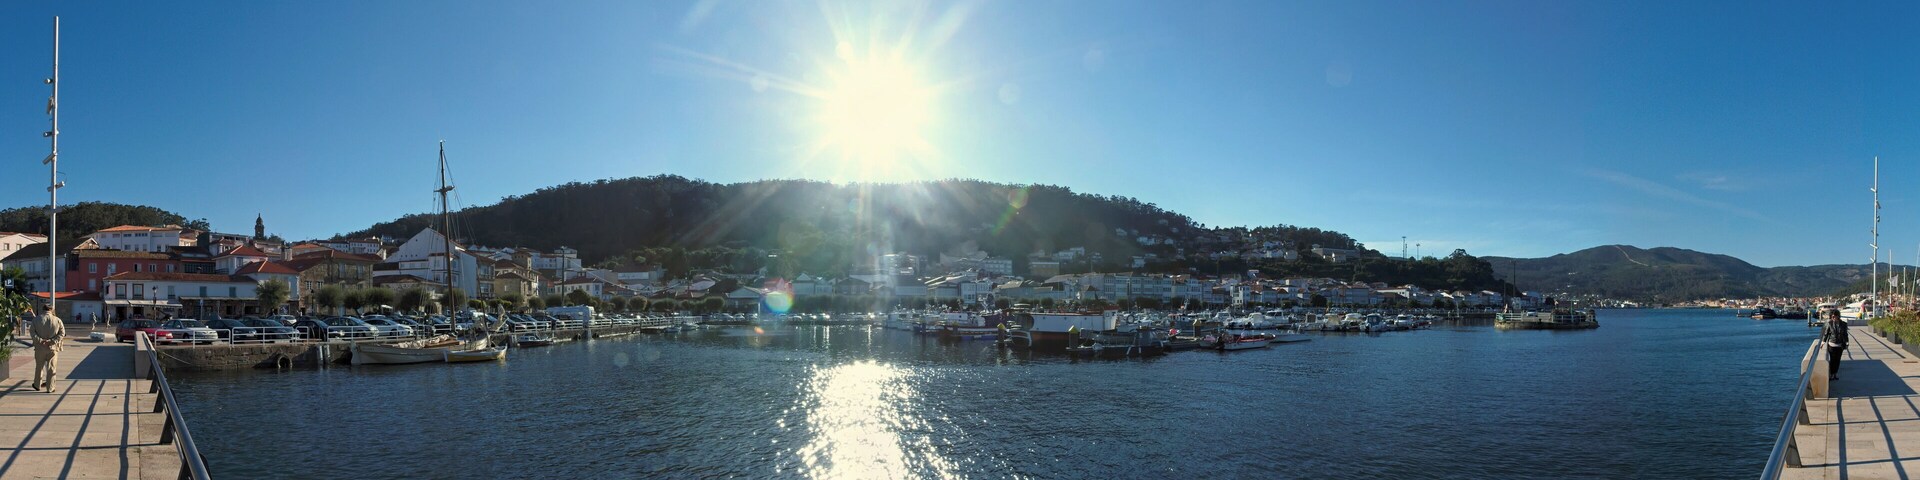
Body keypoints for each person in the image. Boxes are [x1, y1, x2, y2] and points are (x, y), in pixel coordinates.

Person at [28, 306, 65, 393]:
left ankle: (37, 385)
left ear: (43, 309)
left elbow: (32, 332)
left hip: (40, 348)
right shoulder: (57, 320)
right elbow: (62, 333)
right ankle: (50, 388)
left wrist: (40, 340)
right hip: (52, 348)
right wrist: (52, 341)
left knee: (39, 367)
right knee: (51, 368)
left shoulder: (36, 319)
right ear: (51, 310)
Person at [1823, 310, 1849, 381]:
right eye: (1832, 316)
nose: (1833, 317)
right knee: (1832, 360)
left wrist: (1847, 342)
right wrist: (1823, 342)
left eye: (1834, 316)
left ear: (1838, 316)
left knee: (1837, 360)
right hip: (1831, 344)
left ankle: (1835, 374)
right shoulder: (1830, 323)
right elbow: (1826, 333)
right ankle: (1831, 374)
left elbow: (1845, 334)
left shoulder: (1843, 324)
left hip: (1840, 345)